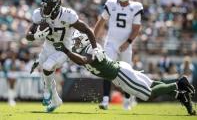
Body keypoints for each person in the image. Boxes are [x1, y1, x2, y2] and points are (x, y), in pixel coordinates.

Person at [52, 33, 196, 115]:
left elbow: (84, 59)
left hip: (120, 74)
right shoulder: (85, 50)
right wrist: (65, 51)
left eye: (77, 41)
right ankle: (180, 95)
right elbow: (80, 61)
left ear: (84, 40)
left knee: (148, 94)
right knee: (151, 84)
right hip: (120, 70)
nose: (75, 44)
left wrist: (66, 50)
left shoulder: (90, 50)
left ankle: (178, 83)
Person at [26, 0, 104, 112]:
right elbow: (28, 36)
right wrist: (36, 36)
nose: (43, 8)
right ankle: (56, 100)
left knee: (47, 67)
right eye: (43, 5)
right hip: (48, 46)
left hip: (63, 47)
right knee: (46, 72)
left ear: (56, 7)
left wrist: (95, 48)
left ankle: (47, 91)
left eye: (47, 6)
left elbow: (87, 30)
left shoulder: (67, 15)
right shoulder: (38, 14)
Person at [94, 0, 142, 110]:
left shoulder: (136, 7)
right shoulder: (111, 4)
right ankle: (105, 100)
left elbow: (136, 28)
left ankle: (127, 99)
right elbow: (101, 22)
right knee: (106, 69)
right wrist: (93, 40)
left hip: (126, 44)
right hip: (111, 43)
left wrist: (128, 42)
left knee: (127, 73)